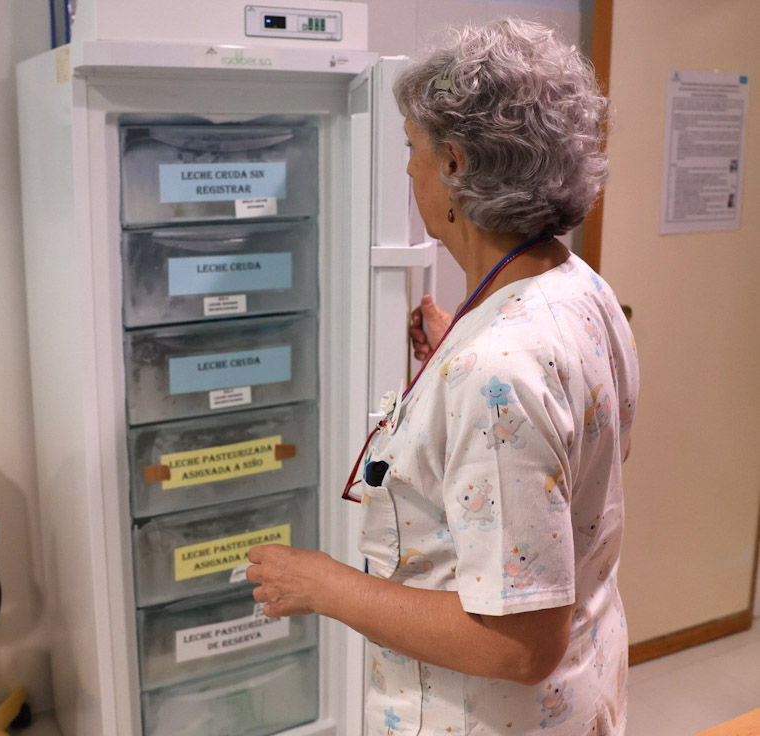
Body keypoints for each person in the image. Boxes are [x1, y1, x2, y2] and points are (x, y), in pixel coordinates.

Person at [246, 18, 638, 735]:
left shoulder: (497, 371)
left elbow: (519, 645)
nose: (406, 169)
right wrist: (450, 361)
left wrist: (324, 584)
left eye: (411, 147)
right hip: (583, 687)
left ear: (454, 162)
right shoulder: (578, 289)